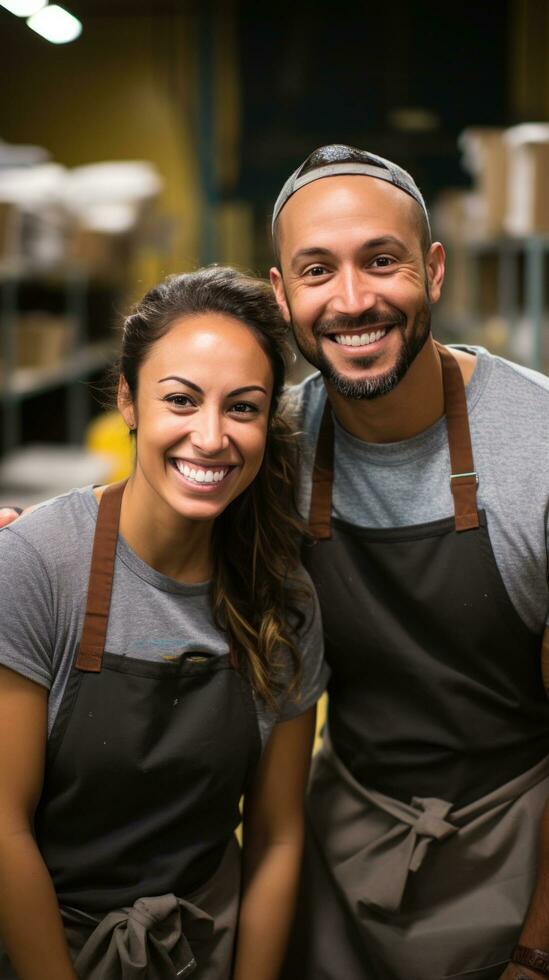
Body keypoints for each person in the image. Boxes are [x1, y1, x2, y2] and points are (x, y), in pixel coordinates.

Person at [266, 145, 549, 980]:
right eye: (317, 271)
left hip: (521, 843)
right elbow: (140, 526)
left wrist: (535, 951)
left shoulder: (535, 448)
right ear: (282, 296)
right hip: (346, 832)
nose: (352, 301)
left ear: (430, 271)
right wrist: (33, 541)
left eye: (379, 261)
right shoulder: (270, 446)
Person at [0, 266, 328, 980]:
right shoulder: (36, 565)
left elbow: (275, 837)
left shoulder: (281, 598)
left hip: (200, 949)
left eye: (242, 408)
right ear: (128, 399)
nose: (210, 438)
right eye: (181, 400)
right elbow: (4, 828)